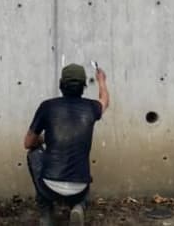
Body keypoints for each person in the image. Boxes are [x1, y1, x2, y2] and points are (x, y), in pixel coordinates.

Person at [24, 63, 110, 226]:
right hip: (79, 189)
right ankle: (79, 206)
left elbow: (28, 143)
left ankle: (46, 212)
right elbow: (105, 101)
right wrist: (101, 80)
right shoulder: (91, 108)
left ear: (61, 84)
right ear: (84, 86)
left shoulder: (47, 106)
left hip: (49, 187)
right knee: (81, 168)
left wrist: (46, 138)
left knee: (33, 153)